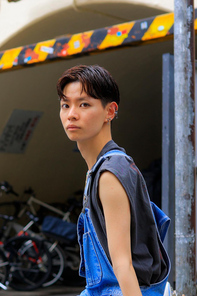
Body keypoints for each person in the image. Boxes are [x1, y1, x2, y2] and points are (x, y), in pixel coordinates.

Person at [57, 64, 170, 296]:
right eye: (65, 105)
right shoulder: (101, 168)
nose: (72, 114)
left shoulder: (109, 174)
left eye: (84, 104)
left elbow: (123, 266)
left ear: (110, 112)